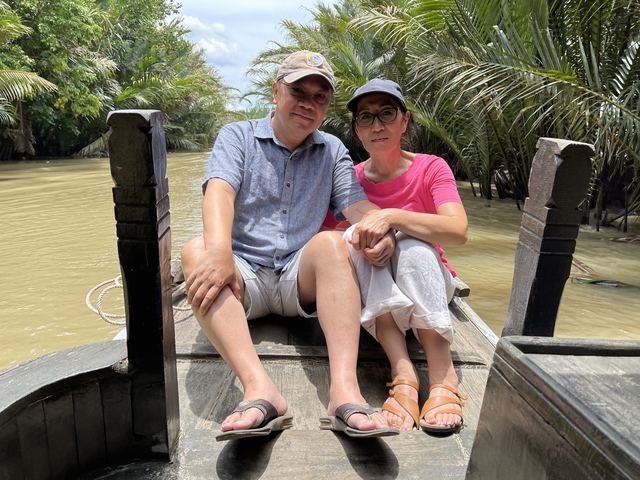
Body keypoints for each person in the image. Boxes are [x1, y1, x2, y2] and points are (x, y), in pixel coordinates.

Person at [181, 51, 399, 441]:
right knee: (196, 250)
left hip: (297, 278)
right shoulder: (237, 135)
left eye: (320, 97)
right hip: (241, 273)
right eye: (298, 91)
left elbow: (353, 205)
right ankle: (259, 389)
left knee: (333, 244)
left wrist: (384, 223)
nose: (308, 104)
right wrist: (219, 250)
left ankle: (344, 392)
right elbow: (219, 191)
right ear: (275, 91)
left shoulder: (331, 149)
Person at [325, 78, 469, 433]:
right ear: (356, 131)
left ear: (405, 120)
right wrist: (371, 234)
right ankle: (403, 371)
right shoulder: (350, 180)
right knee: (353, 239)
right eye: (365, 118)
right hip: (377, 295)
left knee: (412, 245)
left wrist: (392, 219)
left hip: (428, 282)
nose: (377, 125)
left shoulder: (431, 168)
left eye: (386, 114)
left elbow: (458, 230)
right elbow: (325, 241)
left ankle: (442, 374)